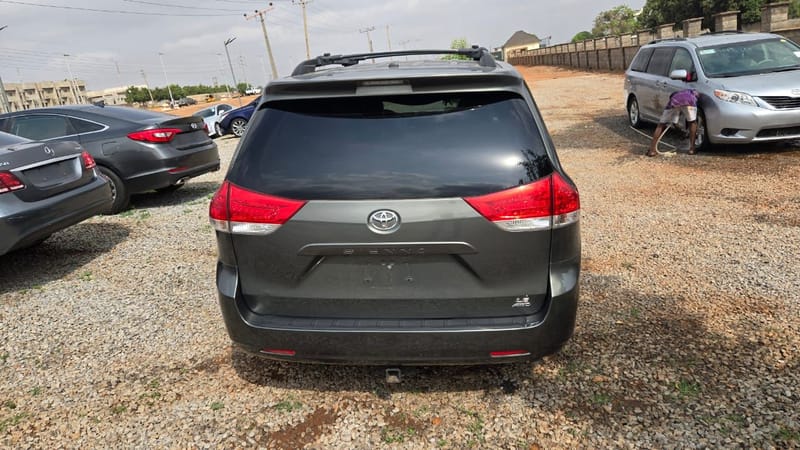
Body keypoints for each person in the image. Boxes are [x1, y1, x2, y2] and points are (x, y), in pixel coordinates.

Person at [647, 89, 701, 157]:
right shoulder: (693, 94)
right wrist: (682, 132)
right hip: (690, 101)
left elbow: (674, 122)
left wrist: (679, 130)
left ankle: (652, 150)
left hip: (674, 102)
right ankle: (692, 149)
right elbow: (675, 122)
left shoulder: (674, 96)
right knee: (692, 122)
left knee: (661, 124)